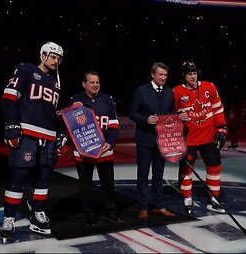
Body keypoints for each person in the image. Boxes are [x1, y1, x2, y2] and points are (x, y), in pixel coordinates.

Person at [0, 41, 65, 243]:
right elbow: (9, 97)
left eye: (59, 58)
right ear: (43, 55)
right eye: (53, 56)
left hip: (49, 137)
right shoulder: (26, 69)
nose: (57, 61)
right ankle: (8, 219)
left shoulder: (55, 82)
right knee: (18, 177)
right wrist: (11, 125)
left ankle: (37, 215)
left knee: (43, 180)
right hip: (28, 133)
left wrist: (61, 132)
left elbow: (53, 113)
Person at [67, 71, 123, 226]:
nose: (95, 85)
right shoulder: (75, 100)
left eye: (97, 82)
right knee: (85, 184)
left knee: (108, 183)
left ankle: (110, 211)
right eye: (92, 82)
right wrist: (72, 109)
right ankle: (88, 214)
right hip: (83, 150)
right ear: (84, 84)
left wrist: (110, 143)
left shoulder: (108, 100)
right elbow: (69, 125)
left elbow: (114, 125)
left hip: (105, 148)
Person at [173, 61, 227, 214]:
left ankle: (214, 199)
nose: (193, 77)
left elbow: (218, 109)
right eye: (189, 74)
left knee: (215, 166)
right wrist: (178, 117)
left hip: (209, 137)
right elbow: (170, 114)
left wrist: (222, 129)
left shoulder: (210, 87)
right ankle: (187, 197)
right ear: (184, 76)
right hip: (189, 139)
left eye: (195, 73)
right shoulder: (177, 92)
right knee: (186, 168)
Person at [128, 62, 177, 221]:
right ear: (153, 75)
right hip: (145, 139)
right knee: (143, 175)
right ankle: (143, 207)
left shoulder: (170, 92)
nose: (163, 78)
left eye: (165, 75)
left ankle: (159, 205)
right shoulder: (141, 91)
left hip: (162, 141)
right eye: (160, 75)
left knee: (159, 175)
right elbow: (132, 113)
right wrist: (146, 119)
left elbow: (171, 114)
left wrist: (179, 116)